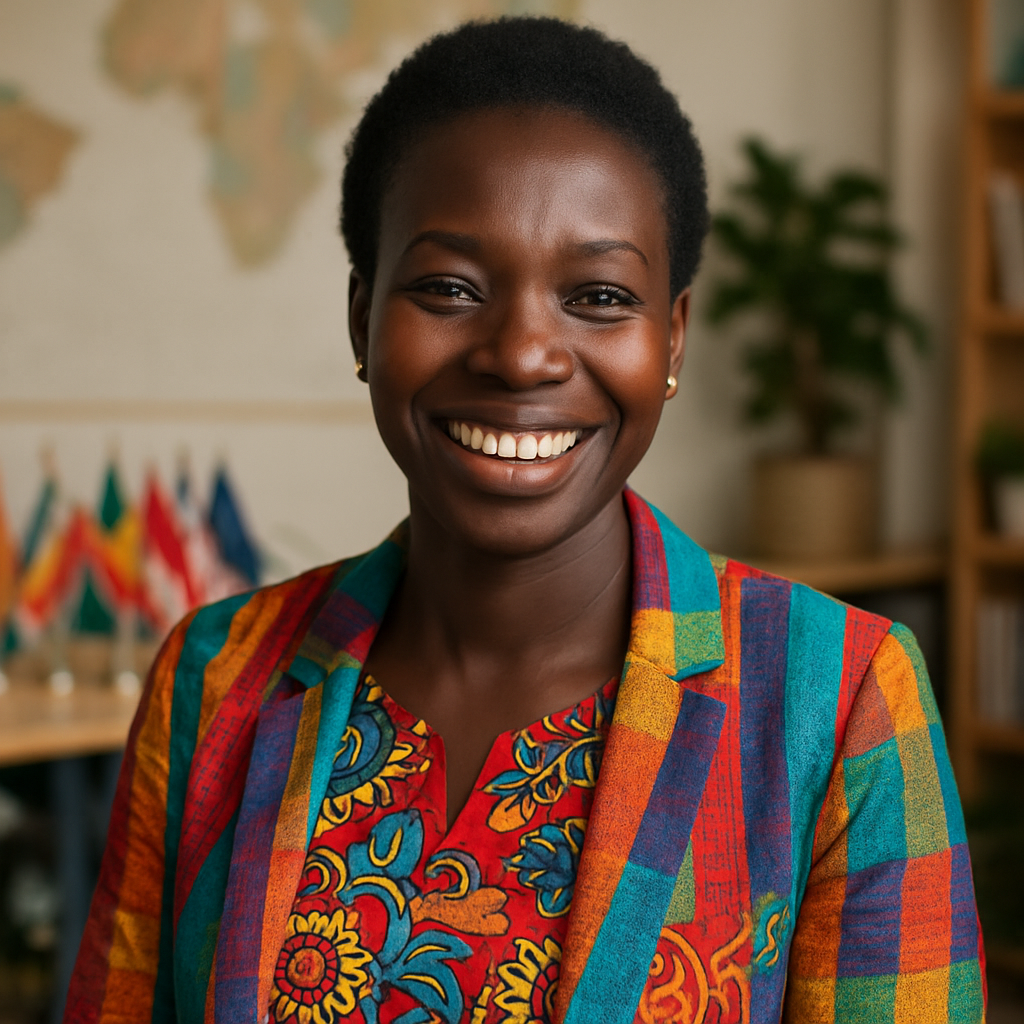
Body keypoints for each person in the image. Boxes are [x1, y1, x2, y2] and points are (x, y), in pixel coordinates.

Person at [66, 17, 985, 1024]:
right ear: (361, 317)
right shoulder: (217, 677)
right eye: (449, 288)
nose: (521, 354)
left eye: (596, 295)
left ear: (669, 336)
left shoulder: (838, 697)